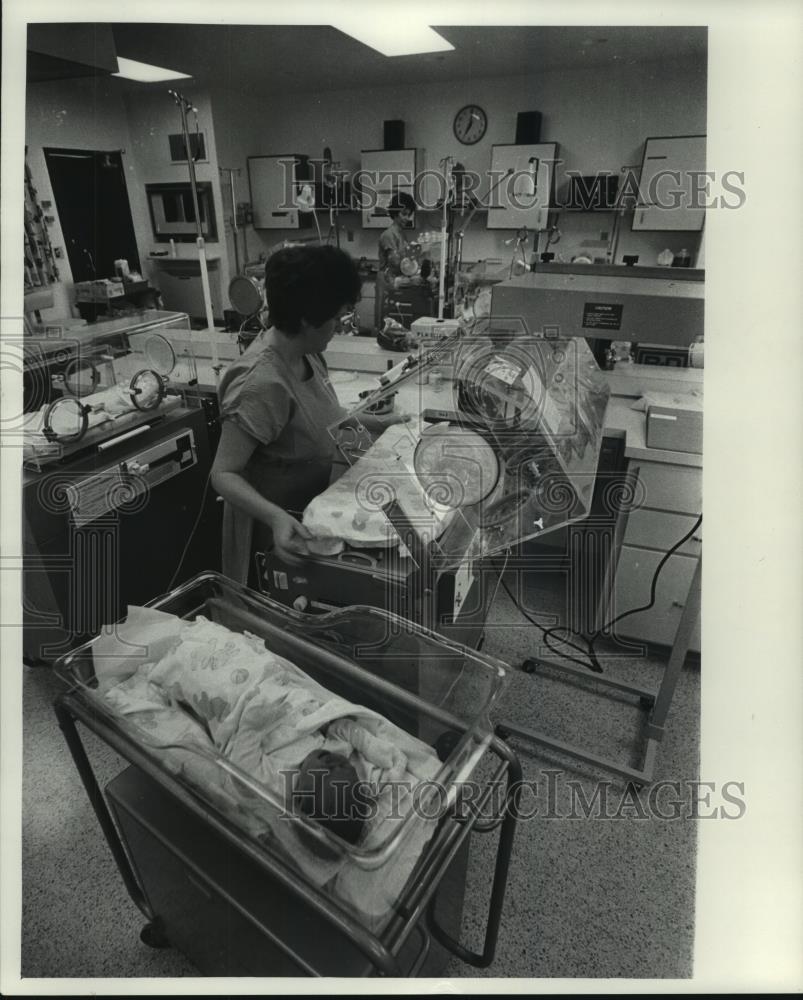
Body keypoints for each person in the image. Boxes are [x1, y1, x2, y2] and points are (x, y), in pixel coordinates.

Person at [211, 244, 407, 586]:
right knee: (272, 618)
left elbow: (324, 415)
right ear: (306, 319)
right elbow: (223, 473)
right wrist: (274, 518)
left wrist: (382, 425)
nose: (339, 327)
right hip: (271, 528)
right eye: (335, 318)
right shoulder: (262, 384)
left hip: (306, 511)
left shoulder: (307, 353)